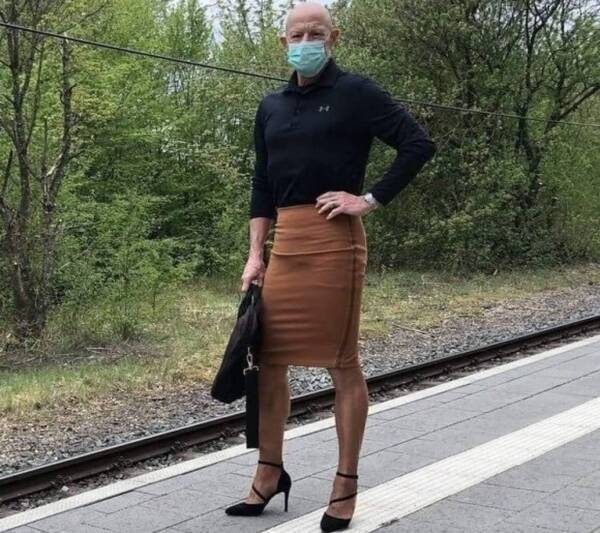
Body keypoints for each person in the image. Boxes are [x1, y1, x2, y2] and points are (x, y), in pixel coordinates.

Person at [226, 1, 436, 530]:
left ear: (333, 37)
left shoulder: (356, 93)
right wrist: (255, 255)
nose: (306, 41)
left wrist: (368, 199)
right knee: (268, 362)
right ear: (283, 43)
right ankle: (269, 472)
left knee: (341, 363)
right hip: (285, 246)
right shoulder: (271, 106)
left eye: (315, 32)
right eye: (297, 34)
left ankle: (345, 484)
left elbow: (417, 144)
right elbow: (262, 184)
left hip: (335, 244)